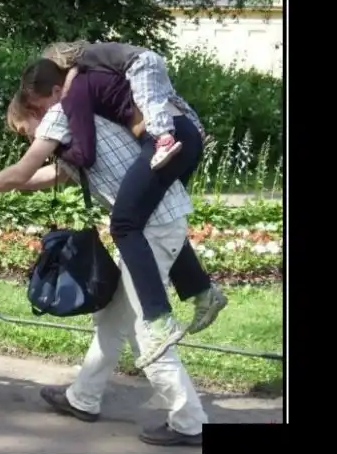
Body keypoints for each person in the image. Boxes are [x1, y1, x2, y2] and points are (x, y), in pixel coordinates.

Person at [0, 93, 208, 445]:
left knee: (147, 332)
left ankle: (189, 422)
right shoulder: (78, 124)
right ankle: (83, 397)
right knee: (112, 319)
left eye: (23, 130)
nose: (27, 138)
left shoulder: (59, 116)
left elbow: (25, 170)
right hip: (153, 226)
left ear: (35, 110)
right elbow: (53, 175)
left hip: (153, 229)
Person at [17, 51, 227, 368]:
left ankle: (160, 319)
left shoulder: (75, 93)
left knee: (124, 224)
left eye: (38, 107)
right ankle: (202, 292)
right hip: (181, 134)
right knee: (147, 218)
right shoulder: (90, 85)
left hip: (169, 136)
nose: (44, 114)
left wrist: (59, 150)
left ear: (56, 88)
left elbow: (84, 154)